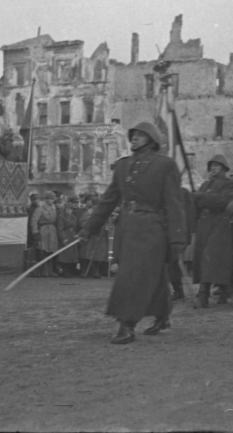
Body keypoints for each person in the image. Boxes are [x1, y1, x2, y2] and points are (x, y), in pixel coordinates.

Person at [77, 122, 185, 344]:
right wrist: (89, 228)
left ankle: (126, 323)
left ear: (152, 139)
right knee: (149, 275)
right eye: (133, 134)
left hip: (153, 228)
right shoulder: (123, 166)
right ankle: (162, 315)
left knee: (133, 275)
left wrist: (177, 236)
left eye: (140, 135)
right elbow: (108, 200)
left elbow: (174, 203)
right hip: (127, 228)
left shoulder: (165, 165)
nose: (134, 138)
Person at [191, 154, 233, 308]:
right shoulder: (205, 185)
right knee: (205, 260)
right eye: (211, 165)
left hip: (220, 225)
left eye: (217, 165)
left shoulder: (230, 185)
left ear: (224, 168)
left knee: (212, 259)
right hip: (204, 226)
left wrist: (201, 197)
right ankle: (223, 289)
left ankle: (203, 294)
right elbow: (197, 205)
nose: (213, 168)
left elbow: (223, 202)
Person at [30, 192, 60, 277]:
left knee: (52, 251)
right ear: (46, 199)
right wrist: (35, 232)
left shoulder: (54, 208)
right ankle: (44, 270)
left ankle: (50, 270)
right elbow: (34, 221)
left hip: (52, 231)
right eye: (50, 199)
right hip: (43, 231)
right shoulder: (40, 209)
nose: (52, 201)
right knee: (43, 251)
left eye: (53, 199)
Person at [79, 196, 107, 279]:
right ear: (93, 205)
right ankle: (84, 272)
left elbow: (105, 224)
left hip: (99, 236)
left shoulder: (102, 214)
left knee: (98, 255)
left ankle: (95, 271)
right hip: (90, 237)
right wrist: (90, 227)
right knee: (87, 255)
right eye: (96, 205)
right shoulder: (87, 213)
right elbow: (82, 223)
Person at [57, 199, 81, 277]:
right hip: (66, 236)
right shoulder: (61, 217)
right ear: (65, 209)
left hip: (72, 236)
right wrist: (63, 238)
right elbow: (60, 229)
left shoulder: (73, 217)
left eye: (71, 209)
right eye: (68, 209)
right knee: (65, 255)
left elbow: (76, 227)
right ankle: (65, 271)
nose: (69, 211)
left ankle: (71, 270)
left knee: (72, 255)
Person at [25, 192, 40, 273]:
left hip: (38, 230)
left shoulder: (39, 208)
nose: (36, 201)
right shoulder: (29, 209)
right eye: (34, 199)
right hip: (31, 231)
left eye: (37, 199)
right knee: (31, 248)